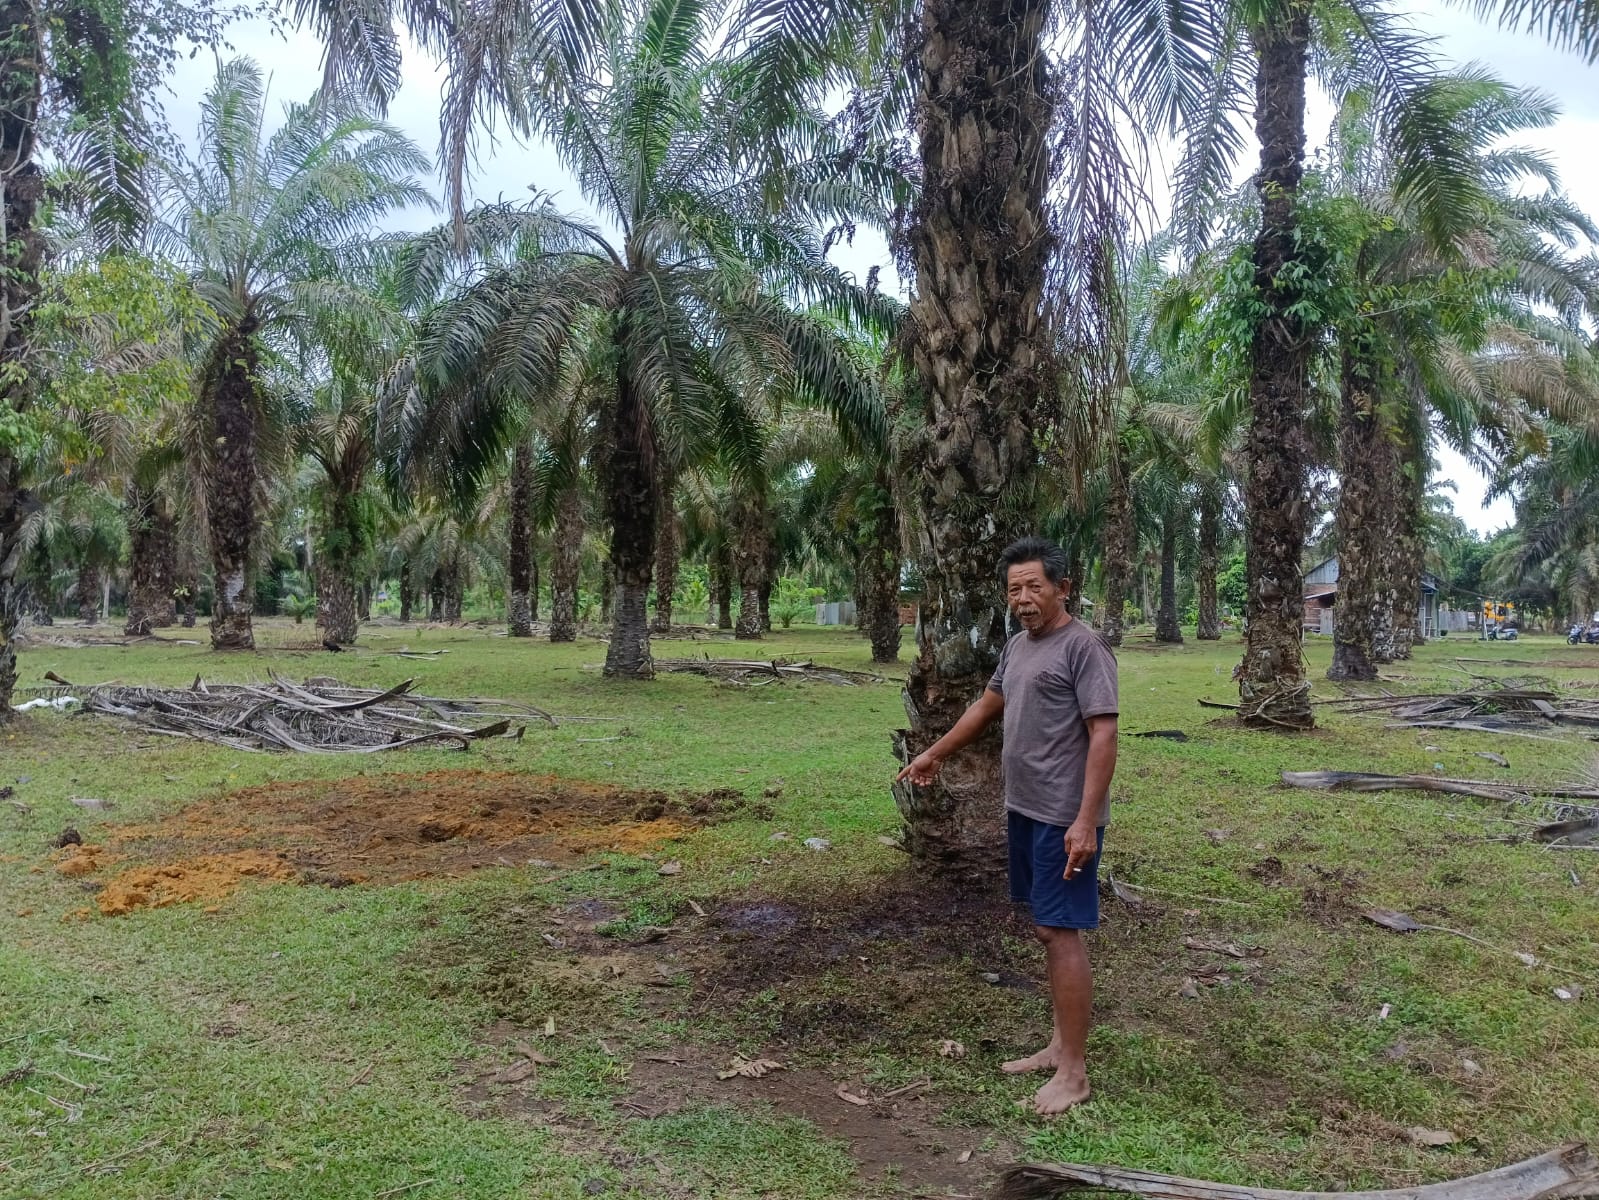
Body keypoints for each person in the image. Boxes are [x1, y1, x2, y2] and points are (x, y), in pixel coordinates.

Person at [895, 535, 1118, 1115]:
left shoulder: (1084, 647)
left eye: (1034, 586)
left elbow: (1105, 734)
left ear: (1063, 588)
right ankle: (1058, 1046)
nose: (1023, 597)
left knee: (1060, 930)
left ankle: (1074, 1072)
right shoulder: (1018, 647)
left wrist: (1086, 821)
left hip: (1063, 817)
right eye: (1014, 588)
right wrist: (932, 754)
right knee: (1048, 929)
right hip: (1025, 808)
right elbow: (984, 708)